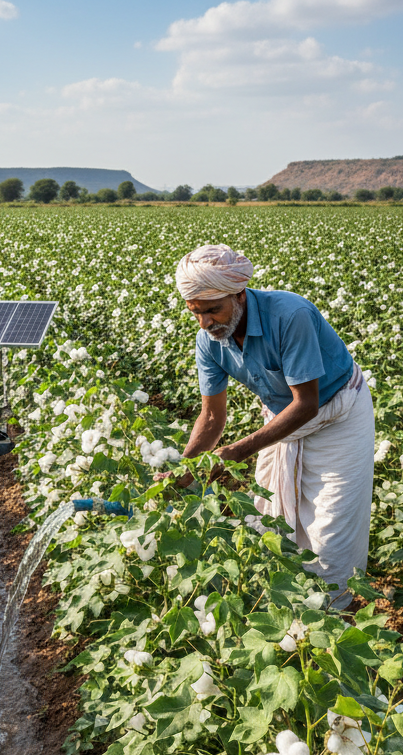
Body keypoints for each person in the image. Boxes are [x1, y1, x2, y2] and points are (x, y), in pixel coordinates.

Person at [160, 244, 375, 609]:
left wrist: (238, 451)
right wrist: (185, 469)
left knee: (330, 532)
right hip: (282, 420)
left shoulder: (289, 315)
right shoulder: (209, 341)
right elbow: (212, 416)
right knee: (271, 521)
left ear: (239, 295)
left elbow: (305, 403)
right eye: (195, 313)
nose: (205, 322)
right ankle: (288, 616)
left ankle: (338, 621)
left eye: (213, 310)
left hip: (337, 415)